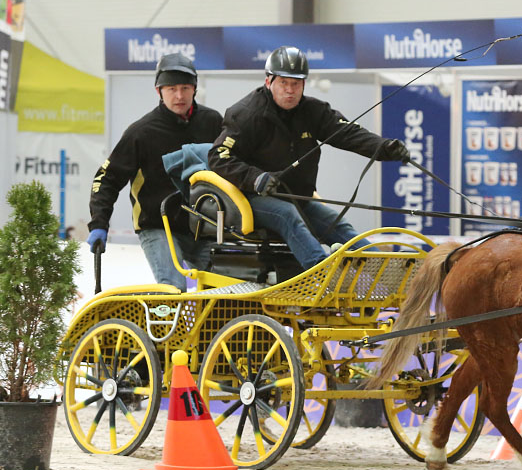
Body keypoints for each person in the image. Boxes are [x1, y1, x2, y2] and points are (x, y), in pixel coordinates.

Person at [208, 45, 410, 270]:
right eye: (283, 82)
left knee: (339, 225)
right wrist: (257, 178)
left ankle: (389, 272)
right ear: (269, 82)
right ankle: (321, 277)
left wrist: (384, 148)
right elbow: (218, 156)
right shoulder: (246, 114)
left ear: (304, 84)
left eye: (296, 83)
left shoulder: (313, 110)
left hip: (298, 198)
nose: (290, 90)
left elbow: (348, 133)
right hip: (252, 199)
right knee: (288, 215)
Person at [87, 53, 223, 291]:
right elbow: (106, 179)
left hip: (203, 226)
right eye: (171, 89)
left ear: (194, 89)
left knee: (225, 289)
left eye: (184, 88)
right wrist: (99, 223)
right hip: (158, 226)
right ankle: (169, 327)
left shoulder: (212, 122)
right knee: (173, 289)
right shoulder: (141, 132)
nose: (179, 96)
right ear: (158, 91)